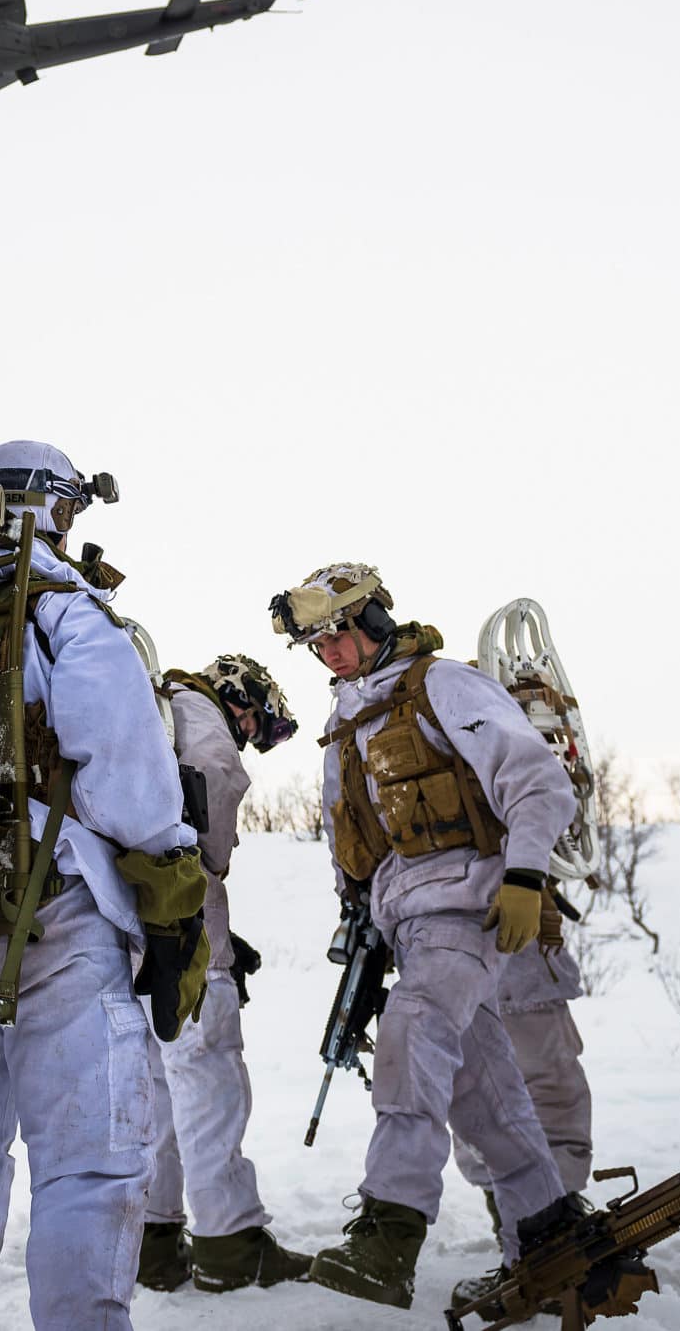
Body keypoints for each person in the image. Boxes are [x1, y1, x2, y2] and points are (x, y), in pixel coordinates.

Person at [0, 441, 203, 1331]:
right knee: (90, 1166)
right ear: (59, 504)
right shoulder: (59, 600)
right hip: (53, 909)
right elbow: (127, 772)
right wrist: (172, 890)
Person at [269, 562, 580, 1312]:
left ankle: (389, 1227)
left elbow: (540, 783)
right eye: (316, 643)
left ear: (374, 623)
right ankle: (552, 1239)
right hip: (403, 924)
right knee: (483, 1094)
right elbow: (354, 853)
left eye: (338, 634)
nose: (330, 652)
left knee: (414, 1030)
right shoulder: (345, 726)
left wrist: (525, 878)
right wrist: (362, 927)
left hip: (468, 904)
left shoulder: (444, 686)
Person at [136, 653, 314, 1295]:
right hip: (183, 933)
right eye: (254, 721)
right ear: (241, 695)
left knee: (157, 1090)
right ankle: (229, 1244)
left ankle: (153, 1243)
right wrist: (211, 871)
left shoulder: (155, 711)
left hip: (138, 934)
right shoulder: (202, 720)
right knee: (209, 1081)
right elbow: (212, 796)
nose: (247, 732)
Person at [456, 898, 596, 1229]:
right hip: (456, 972)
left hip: (521, 969)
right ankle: (521, 1240)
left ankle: (559, 1235)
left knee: (551, 1100)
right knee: (475, 1111)